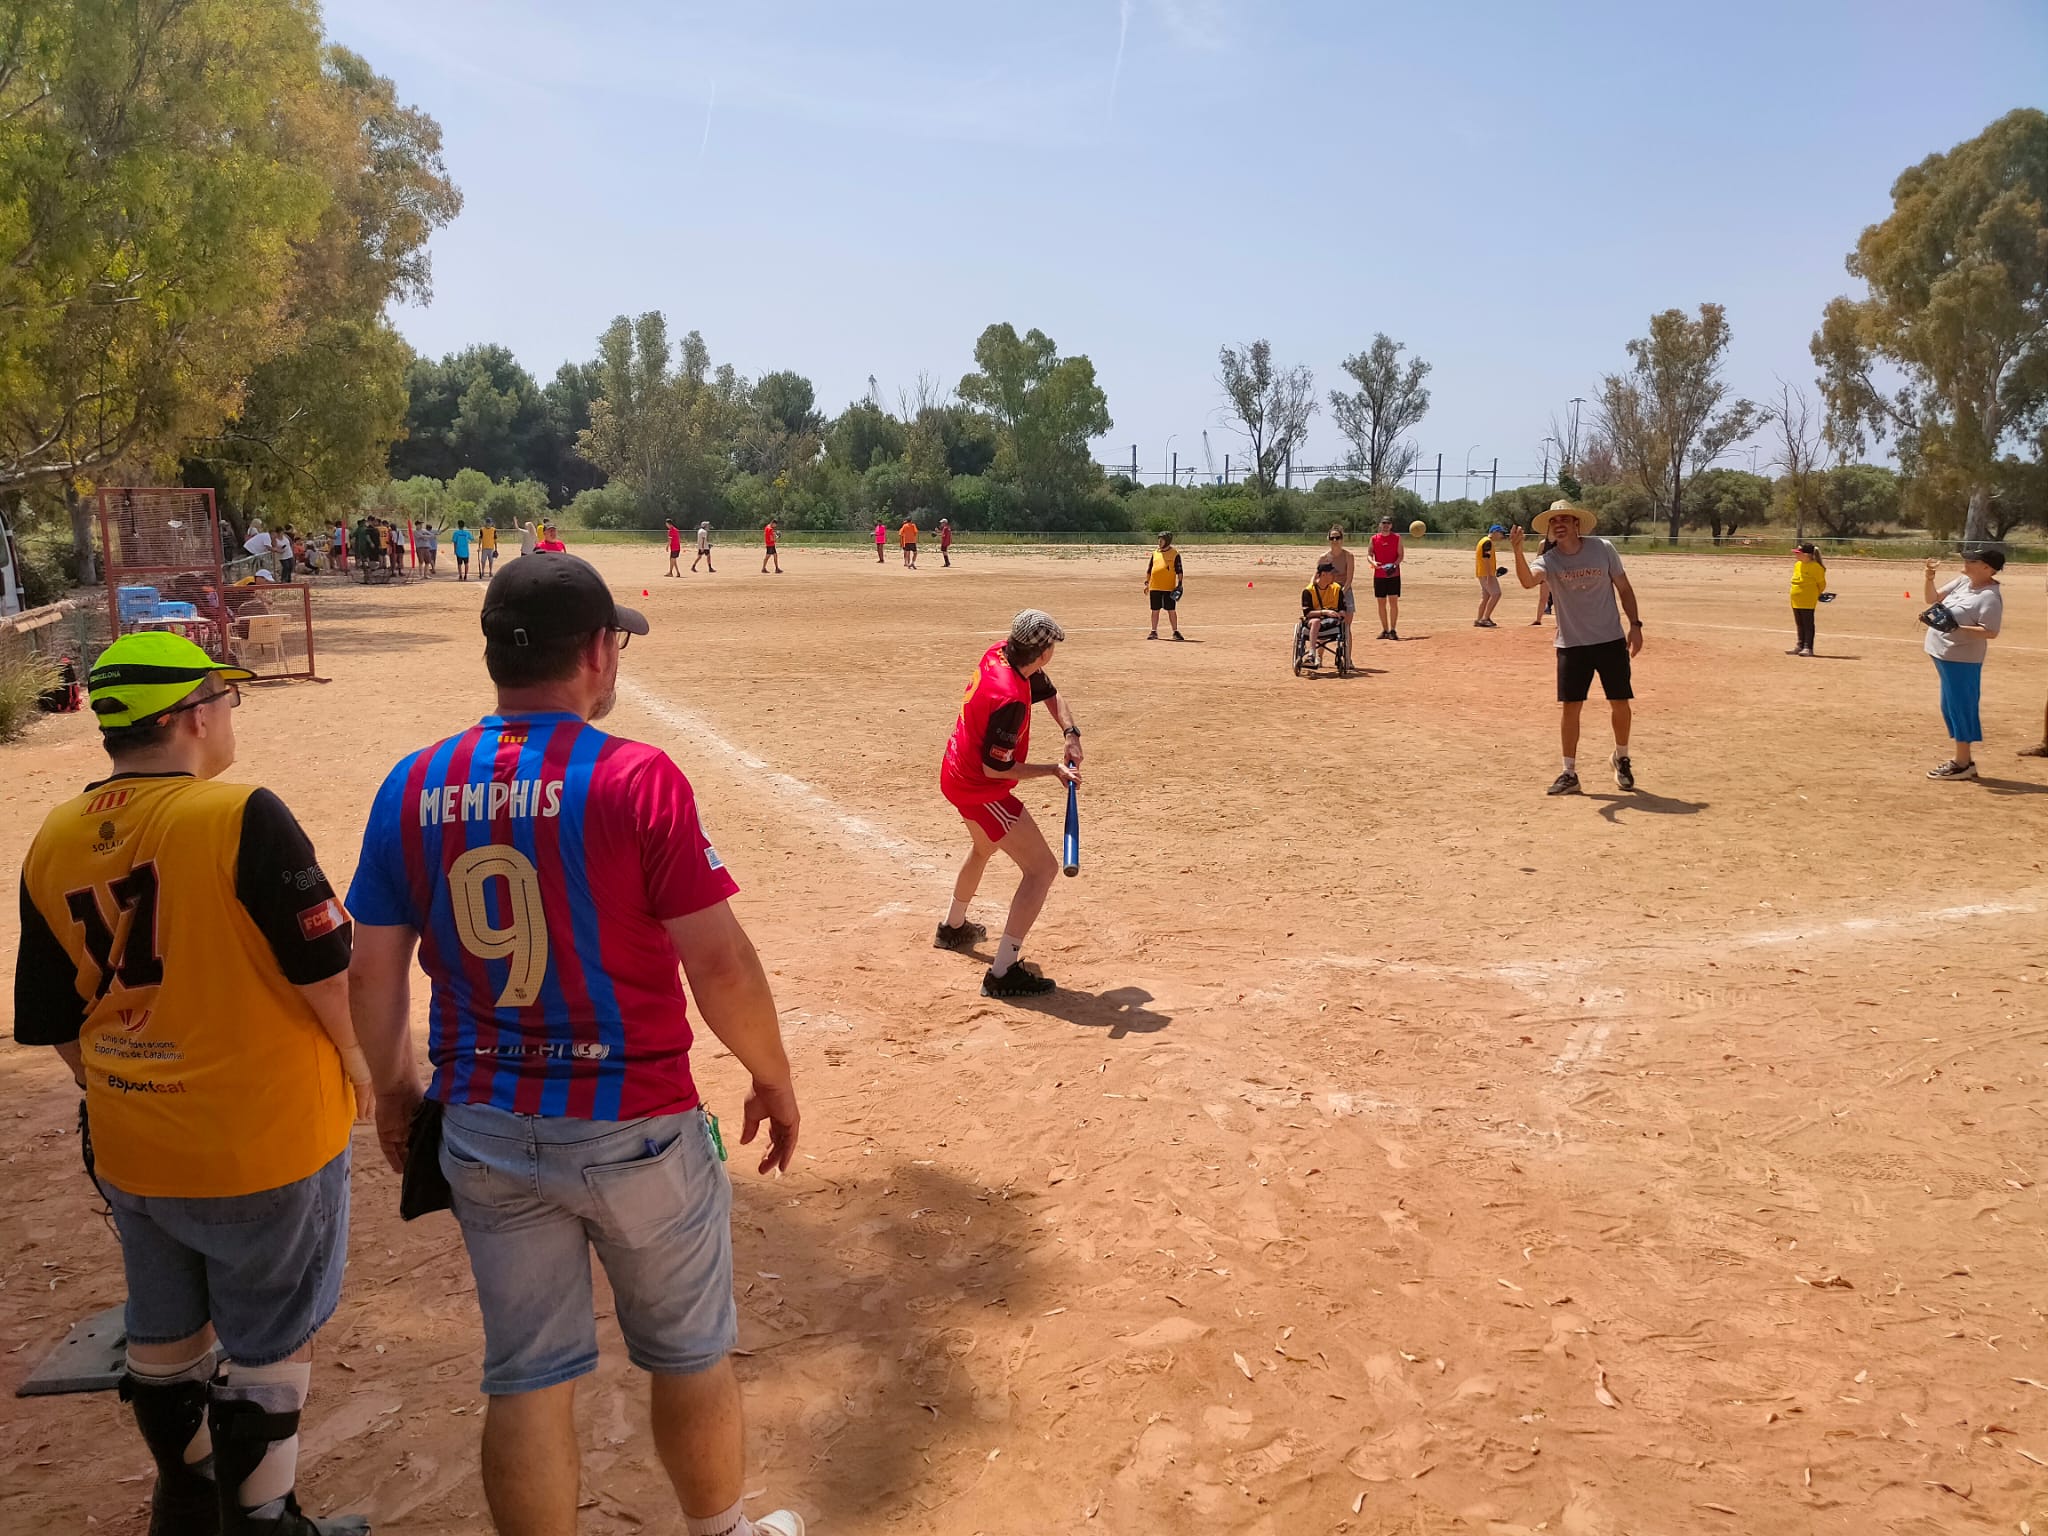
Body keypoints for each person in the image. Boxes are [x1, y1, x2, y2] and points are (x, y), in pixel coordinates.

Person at [346, 555, 806, 1536]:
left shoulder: (412, 784)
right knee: (688, 1355)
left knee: (526, 1376)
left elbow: (371, 972)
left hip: (483, 1123)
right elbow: (719, 964)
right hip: (633, 1121)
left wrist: (392, 1089)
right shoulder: (635, 777)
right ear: (596, 651)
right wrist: (771, 1075)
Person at [13, 632, 371, 1536]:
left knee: (165, 1325)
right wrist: (360, 1061)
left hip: (135, 1144)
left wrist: (123, 1089)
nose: (229, 715)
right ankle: (262, 1516)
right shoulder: (238, 813)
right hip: (263, 1136)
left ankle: (185, 1496)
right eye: (224, 699)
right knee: (270, 1340)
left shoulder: (53, 838)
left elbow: (53, 1018)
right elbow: (325, 968)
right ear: (189, 718)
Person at [934, 609, 1083, 999]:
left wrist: (1070, 733)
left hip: (954, 770)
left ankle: (952, 928)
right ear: (1043, 652)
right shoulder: (1011, 698)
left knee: (983, 847)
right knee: (1041, 869)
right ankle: (1002, 972)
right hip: (978, 787)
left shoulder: (1001, 652)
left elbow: (1049, 692)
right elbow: (995, 768)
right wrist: (1053, 770)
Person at [1511, 501, 1645, 796]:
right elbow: (1527, 582)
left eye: (1564, 519)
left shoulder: (1603, 548)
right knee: (1571, 708)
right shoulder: (1549, 560)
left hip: (1610, 639)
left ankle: (1622, 758)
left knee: (1620, 702)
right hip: (1572, 644)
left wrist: (1635, 625)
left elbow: (1624, 588)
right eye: (1553, 521)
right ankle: (1569, 773)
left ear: (1576, 524)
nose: (1558, 524)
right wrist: (1518, 551)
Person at [1922, 546, 2005, 781]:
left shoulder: (1989, 597)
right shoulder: (1963, 582)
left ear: (1987, 568)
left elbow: (1990, 631)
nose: (1966, 563)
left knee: (1961, 707)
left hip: (1962, 659)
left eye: (1972, 561)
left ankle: (1962, 763)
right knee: (1949, 707)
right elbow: (1932, 599)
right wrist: (1929, 578)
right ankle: (1963, 760)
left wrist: (1956, 628)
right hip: (1942, 654)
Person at [1301, 558, 1349, 672]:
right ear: (1323, 575)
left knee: (1337, 622)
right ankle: (1311, 654)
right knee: (1316, 622)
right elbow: (1307, 613)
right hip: (1313, 620)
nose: (1334, 576)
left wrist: (1341, 614)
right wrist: (1325, 612)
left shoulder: (1337, 589)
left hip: (1331, 621)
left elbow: (1342, 609)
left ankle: (1324, 656)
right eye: (1331, 574)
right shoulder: (1308, 591)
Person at [1143, 530, 1185, 640]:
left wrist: (1180, 584)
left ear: (1167, 541)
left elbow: (1179, 570)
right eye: (1159, 540)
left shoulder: (1175, 554)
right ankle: (1153, 631)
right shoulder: (1155, 553)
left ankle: (1175, 632)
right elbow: (1149, 569)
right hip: (1155, 586)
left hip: (1169, 588)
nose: (1159, 542)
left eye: (1161, 540)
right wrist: (1147, 583)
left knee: (1171, 610)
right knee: (1155, 610)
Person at [1788, 542, 1827, 656]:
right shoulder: (1797, 565)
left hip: (1808, 599)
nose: (1796, 555)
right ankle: (1800, 646)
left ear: (1807, 555)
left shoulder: (1816, 567)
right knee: (1799, 623)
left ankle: (1808, 647)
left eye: (1798, 553)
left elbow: (1821, 585)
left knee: (1807, 624)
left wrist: (1814, 594)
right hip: (1796, 599)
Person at [1368, 515, 1403, 640]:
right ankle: (1385, 630)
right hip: (1379, 575)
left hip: (1393, 575)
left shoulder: (1397, 538)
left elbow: (1400, 555)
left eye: (1388, 523)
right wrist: (1373, 562)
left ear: (1391, 525)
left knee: (1393, 602)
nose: (1386, 525)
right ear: (1380, 525)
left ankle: (1393, 630)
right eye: (1384, 523)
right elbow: (1369, 554)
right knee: (1381, 603)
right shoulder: (1374, 538)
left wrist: (1394, 565)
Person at [1322, 525, 1357, 639]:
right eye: (1332, 538)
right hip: (1328, 590)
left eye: (1337, 537)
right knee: (1322, 625)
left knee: (1346, 626)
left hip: (1344, 589)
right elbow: (1318, 576)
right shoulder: (1324, 557)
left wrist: (1340, 592)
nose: (1335, 540)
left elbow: (1349, 579)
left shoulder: (1348, 556)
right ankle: (1319, 651)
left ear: (1342, 539)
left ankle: (1347, 650)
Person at [1474, 524, 1507, 627]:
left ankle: (1479, 619)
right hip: (1486, 573)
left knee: (1486, 596)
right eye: (1501, 533)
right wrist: (1489, 575)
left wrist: (1494, 571)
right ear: (1495, 532)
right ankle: (1485, 618)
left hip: (1482, 572)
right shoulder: (1487, 542)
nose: (1502, 536)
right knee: (1496, 594)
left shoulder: (1484, 541)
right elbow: (1486, 559)